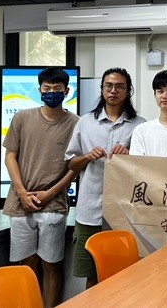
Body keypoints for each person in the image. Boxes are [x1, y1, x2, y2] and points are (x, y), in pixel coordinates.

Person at [3, 67, 79, 308]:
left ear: (66, 91)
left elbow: (75, 167)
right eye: (47, 88)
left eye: (57, 89)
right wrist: (22, 193)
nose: (52, 93)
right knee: (27, 266)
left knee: (51, 265)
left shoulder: (76, 123)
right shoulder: (22, 118)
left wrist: (50, 193)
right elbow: (10, 156)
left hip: (53, 205)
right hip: (20, 204)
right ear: (39, 90)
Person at [66, 68, 145, 289]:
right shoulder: (85, 122)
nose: (113, 91)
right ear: (102, 89)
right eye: (108, 86)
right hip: (89, 211)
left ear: (128, 91)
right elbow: (70, 163)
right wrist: (86, 157)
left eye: (120, 87)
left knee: (124, 276)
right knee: (92, 275)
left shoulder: (140, 125)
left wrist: (130, 156)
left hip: (125, 213)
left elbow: (146, 170)